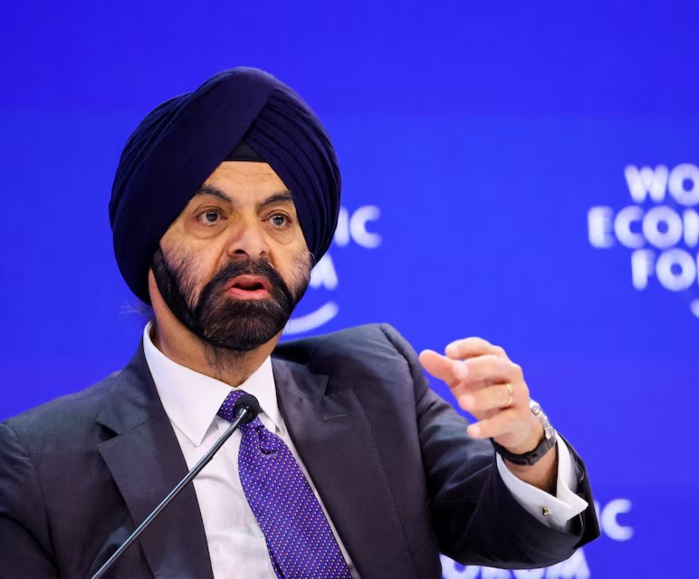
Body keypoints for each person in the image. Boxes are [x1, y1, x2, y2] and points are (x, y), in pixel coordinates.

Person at [0, 67, 599, 578]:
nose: (251, 245)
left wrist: (527, 448)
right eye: (212, 215)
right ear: (149, 250)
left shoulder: (377, 377)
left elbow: (526, 536)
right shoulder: (39, 463)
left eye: (280, 219)